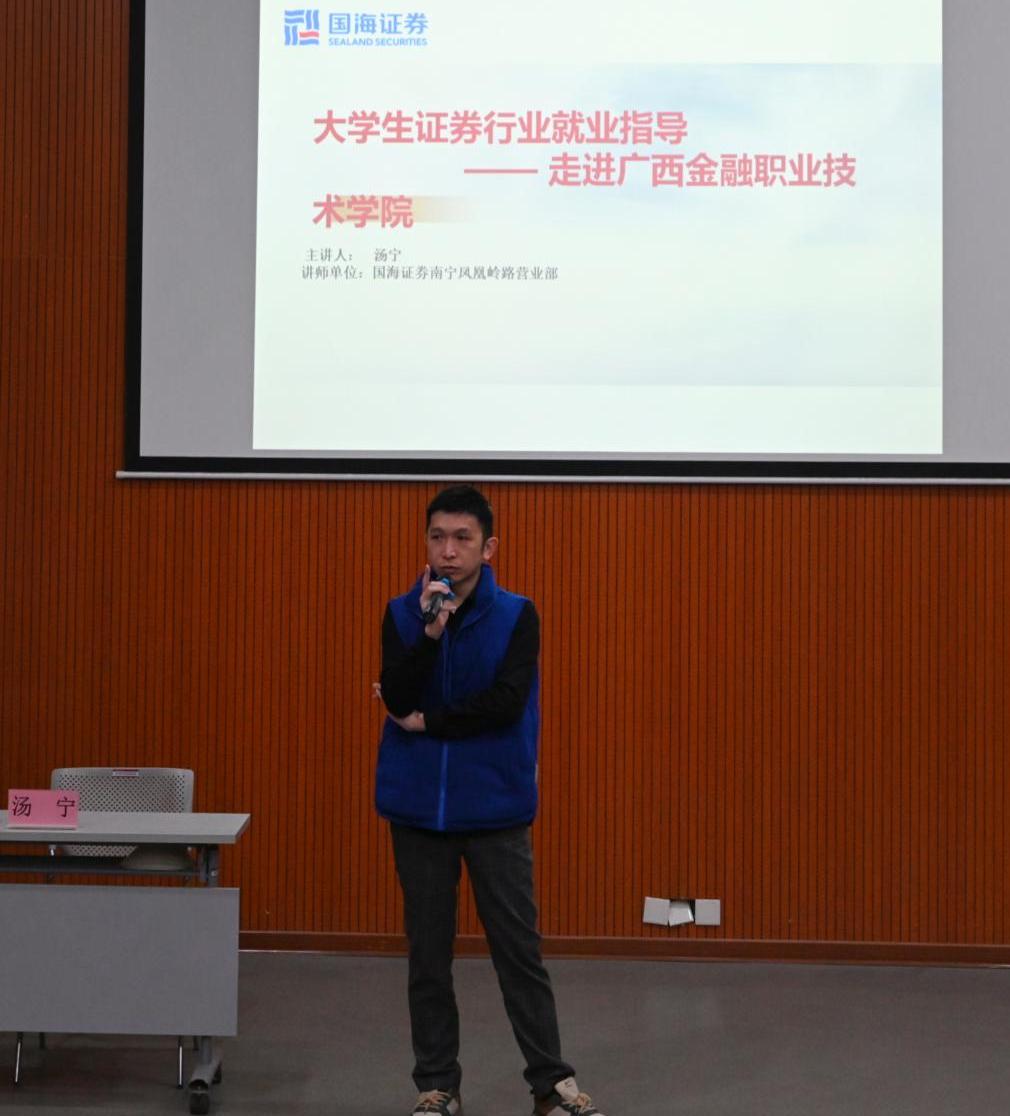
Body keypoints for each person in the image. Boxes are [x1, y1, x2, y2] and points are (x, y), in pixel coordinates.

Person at [374, 485, 607, 1116]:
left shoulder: (517, 615)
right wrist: (430, 633)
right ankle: (436, 1086)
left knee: (517, 952)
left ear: (488, 547)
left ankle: (551, 1086)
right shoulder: (402, 613)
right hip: (418, 812)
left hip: (495, 810)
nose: (447, 552)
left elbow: (504, 704)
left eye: (462, 539)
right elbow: (397, 697)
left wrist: (430, 722)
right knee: (428, 956)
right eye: (437, 538)